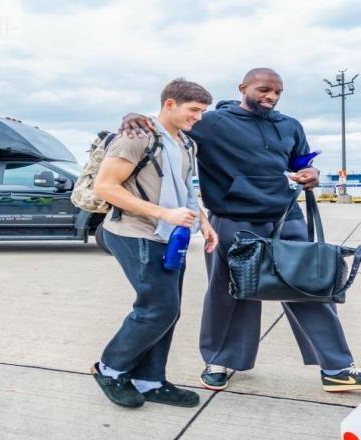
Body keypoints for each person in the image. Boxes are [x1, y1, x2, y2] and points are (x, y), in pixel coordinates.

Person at [120, 68, 361, 393]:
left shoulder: (289, 125)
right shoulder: (212, 123)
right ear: (243, 88)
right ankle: (219, 361)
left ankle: (338, 369)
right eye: (263, 90)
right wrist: (134, 117)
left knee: (308, 287)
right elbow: (168, 125)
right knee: (229, 292)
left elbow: (300, 160)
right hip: (234, 218)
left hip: (286, 216)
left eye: (277, 92)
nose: (271, 97)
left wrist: (311, 171)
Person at [90, 78, 218, 409]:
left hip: (171, 235)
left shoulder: (187, 144)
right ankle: (110, 369)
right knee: (157, 308)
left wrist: (203, 222)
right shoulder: (136, 136)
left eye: (202, 112)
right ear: (170, 104)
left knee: (168, 311)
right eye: (193, 110)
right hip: (135, 232)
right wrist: (163, 213)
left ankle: (149, 380)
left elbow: (185, 189)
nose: (198, 118)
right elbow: (105, 186)